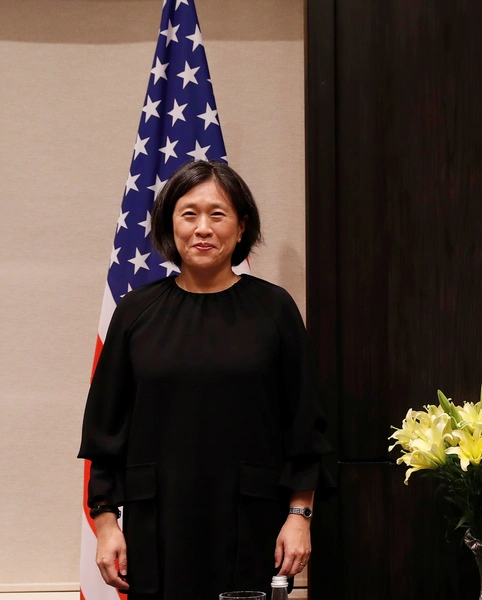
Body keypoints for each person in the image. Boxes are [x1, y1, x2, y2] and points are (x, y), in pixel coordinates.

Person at [78, 161, 332, 600]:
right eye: (188, 213)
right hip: (155, 526)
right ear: (169, 224)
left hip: (251, 523)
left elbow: (305, 427)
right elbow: (105, 429)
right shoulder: (136, 312)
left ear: (241, 226)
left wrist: (299, 516)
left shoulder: (274, 310)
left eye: (218, 214)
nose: (202, 228)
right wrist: (105, 523)